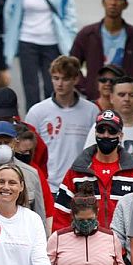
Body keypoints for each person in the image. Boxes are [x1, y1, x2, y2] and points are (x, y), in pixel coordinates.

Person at [2, 0, 76, 109]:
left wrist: (70, 36)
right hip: (27, 41)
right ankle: (32, 127)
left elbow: (69, 12)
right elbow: (9, 11)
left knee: (53, 87)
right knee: (30, 88)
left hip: (52, 41)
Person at [25, 55, 97, 189]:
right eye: (55, 78)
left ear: (76, 79)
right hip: (48, 186)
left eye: (65, 79)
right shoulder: (37, 112)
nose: (60, 84)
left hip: (81, 185)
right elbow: (27, 151)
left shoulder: (91, 111)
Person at [69, 0, 133, 97]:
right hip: (95, 99)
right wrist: (86, 87)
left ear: (125, 5)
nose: (113, 3)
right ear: (103, 2)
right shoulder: (87, 34)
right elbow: (72, 66)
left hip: (124, 102)